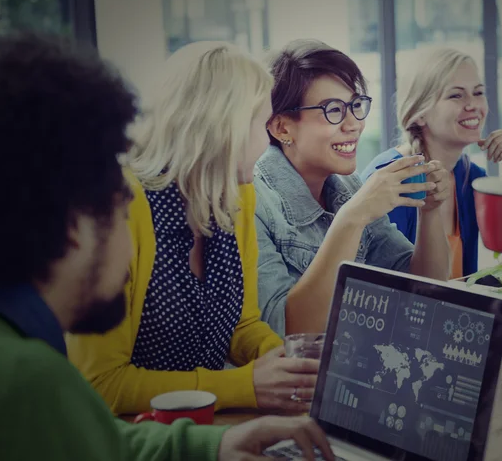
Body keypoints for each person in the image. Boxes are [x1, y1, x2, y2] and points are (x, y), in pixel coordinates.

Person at [0, 33, 335, 461]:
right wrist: (244, 387)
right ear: (74, 222)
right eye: (114, 203)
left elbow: (102, 445)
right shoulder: (23, 381)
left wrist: (215, 443)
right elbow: (98, 402)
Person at [67, 41, 319, 415]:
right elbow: (100, 385)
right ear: (223, 129)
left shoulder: (238, 195)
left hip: (204, 431)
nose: (268, 142)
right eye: (261, 125)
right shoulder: (120, 208)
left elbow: (242, 324)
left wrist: (285, 363)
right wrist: (243, 386)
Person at [254, 39, 451, 337]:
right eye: (333, 109)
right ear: (282, 128)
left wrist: (432, 210)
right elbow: (286, 332)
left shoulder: (347, 185)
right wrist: (351, 218)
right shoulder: (253, 202)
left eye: (355, 105)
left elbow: (422, 289)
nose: (354, 124)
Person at [362, 47, 502, 279]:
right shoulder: (390, 179)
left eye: (478, 92)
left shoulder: (471, 177)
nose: (473, 104)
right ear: (419, 113)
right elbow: (400, 289)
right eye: (456, 95)